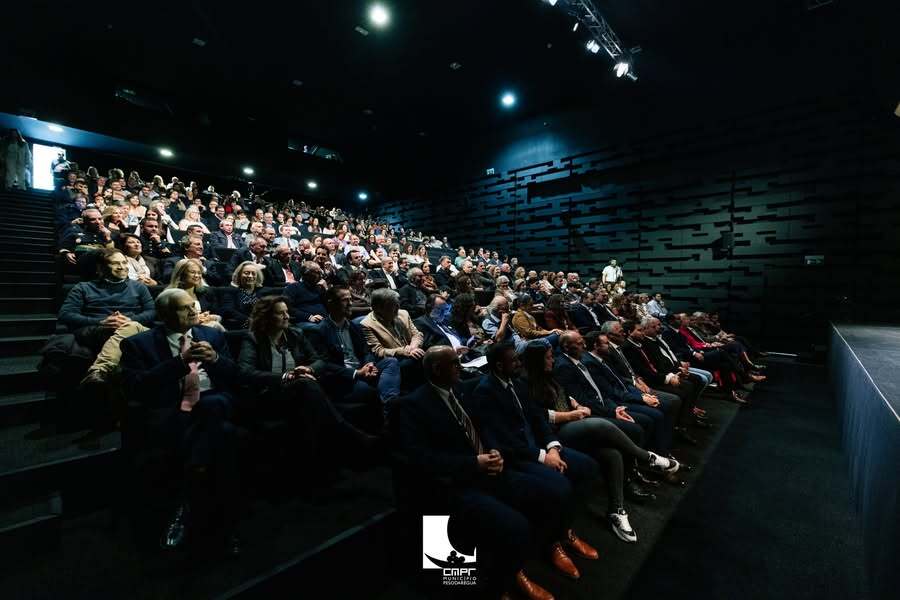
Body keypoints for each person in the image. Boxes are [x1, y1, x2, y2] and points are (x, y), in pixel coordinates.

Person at [390, 346, 574, 600]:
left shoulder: (461, 391)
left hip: (486, 470)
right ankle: (499, 587)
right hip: (453, 483)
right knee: (516, 527)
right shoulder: (412, 406)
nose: (461, 366)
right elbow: (421, 459)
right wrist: (474, 463)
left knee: (550, 493)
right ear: (437, 369)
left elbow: (484, 429)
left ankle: (528, 560)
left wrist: (494, 451)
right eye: (454, 363)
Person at [119, 288, 243, 554]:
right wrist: (179, 362)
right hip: (174, 411)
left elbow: (236, 375)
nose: (193, 311)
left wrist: (216, 359)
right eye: (184, 308)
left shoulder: (212, 335)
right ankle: (224, 527)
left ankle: (184, 509)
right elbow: (138, 387)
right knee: (223, 436)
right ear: (164, 314)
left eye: (193, 305)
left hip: (214, 401)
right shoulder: (138, 344)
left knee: (211, 404)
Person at [521, 341, 676, 539]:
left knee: (613, 455)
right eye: (549, 357)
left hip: (571, 421)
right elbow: (537, 415)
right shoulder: (524, 382)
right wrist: (571, 414)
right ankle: (647, 457)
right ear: (537, 361)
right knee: (600, 425)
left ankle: (616, 511)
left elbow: (565, 396)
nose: (553, 360)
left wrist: (576, 405)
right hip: (554, 433)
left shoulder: (549, 375)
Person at [473, 344, 600, 562]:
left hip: (540, 447)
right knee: (560, 486)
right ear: (499, 366)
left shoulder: (518, 383)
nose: (519, 363)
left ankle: (565, 529)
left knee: (588, 467)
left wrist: (553, 447)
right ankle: (553, 542)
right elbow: (504, 440)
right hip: (517, 457)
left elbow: (537, 419)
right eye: (514, 360)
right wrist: (543, 456)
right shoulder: (485, 392)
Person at [238, 296, 380, 467]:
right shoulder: (253, 339)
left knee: (308, 392)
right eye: (280, 313)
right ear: (266, 317)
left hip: (299, 391)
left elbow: (319, 361)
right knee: (306, 385)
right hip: (269, 394)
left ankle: (324, 463)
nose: (287, 316)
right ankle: (350, 437)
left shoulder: (295, 334)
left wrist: (309, 369)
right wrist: (286, 376)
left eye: (287, 312)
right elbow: (245, 372)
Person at [318, 287, 401, 419]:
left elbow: (366, 350)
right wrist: (357, 373)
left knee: (391, 362)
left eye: (350, 299)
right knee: (370, 392)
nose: (350, 303)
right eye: (345, 300)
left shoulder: (354, 326)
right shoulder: (321, 330)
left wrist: (369, 364)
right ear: (331, 303)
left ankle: (390, 405)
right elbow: (325, 365)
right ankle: (389, 412)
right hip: (345, 377)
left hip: (363, 368)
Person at [58, 248, 156, 351]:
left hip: (132, 326)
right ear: (101, 267)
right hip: (96, 329)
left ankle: (104, 362)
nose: (122, 267)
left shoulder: (139, 287)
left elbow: (152, 311)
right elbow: (66, 314)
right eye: (115, 263)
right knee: (121, 333)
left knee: (129, 330)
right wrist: (102, 322)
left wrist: (130, 320)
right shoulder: (83, 288)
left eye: (124, 262)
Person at [360, 288, 425, 389]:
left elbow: (417, 335)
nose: (398, 308)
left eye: (397, 304)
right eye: (393, 305)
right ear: (378, 308)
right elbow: (379, 351)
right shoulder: (367, 324)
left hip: (414, 351)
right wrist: (403, 351)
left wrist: (413, 347)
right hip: (396, 360)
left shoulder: (403, 313)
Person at [166, 258, 224, 331]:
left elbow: (218, 314)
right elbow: (169, 319)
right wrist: (195, 320)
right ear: (181, 274)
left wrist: (211, 317)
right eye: (192, 272)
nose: (197, 276)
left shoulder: (207, 292)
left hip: (206, 327)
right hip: (182, 330)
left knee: (214, 325)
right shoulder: (170, 295)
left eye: (199, 273)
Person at [219, 262, 267, 330]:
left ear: (257, 277)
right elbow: (227, 310)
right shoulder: (231, 292)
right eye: (246, 273)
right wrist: (249, 321)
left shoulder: (263, 292)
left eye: (253, 273)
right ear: (239, 275)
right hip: (241, 327)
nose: (250, 276)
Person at [284, 261, 328, 326]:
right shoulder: (293, 287)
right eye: (317, 273)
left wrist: (326, 289)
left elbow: (329, 305)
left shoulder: (320, 287)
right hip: (305, 320)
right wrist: (308, 317)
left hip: (324, 319)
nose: (321, 276)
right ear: (306, 274)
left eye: (320, 272)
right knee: (323, 328)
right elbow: (288, 307)